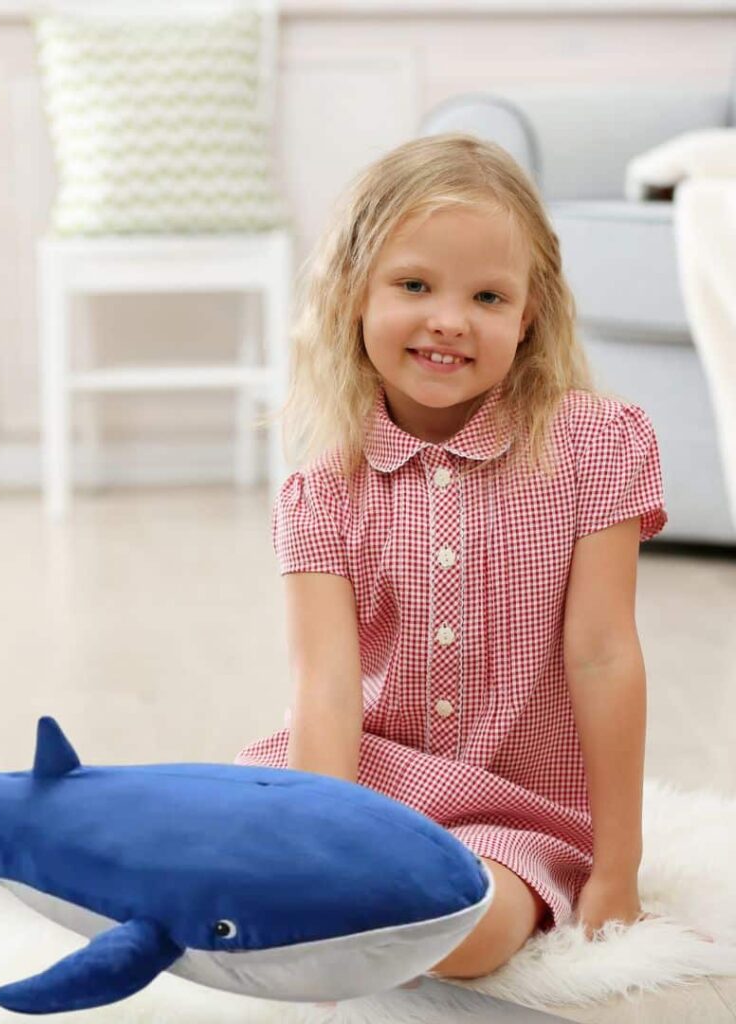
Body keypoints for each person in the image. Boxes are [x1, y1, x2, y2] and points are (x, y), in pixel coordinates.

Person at [234, 133, 667, 980]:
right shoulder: (320, 492)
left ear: (527, 315)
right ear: (353, 291)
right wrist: (321, 852)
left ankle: (372, 917)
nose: (449, 319)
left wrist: (617, 871)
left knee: (463, 932)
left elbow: (605, 655)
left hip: (519, 816)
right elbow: (325, 691)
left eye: (488, 296)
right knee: (210, 837)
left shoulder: (597, 445)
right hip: (366, 785)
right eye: (414, 285)